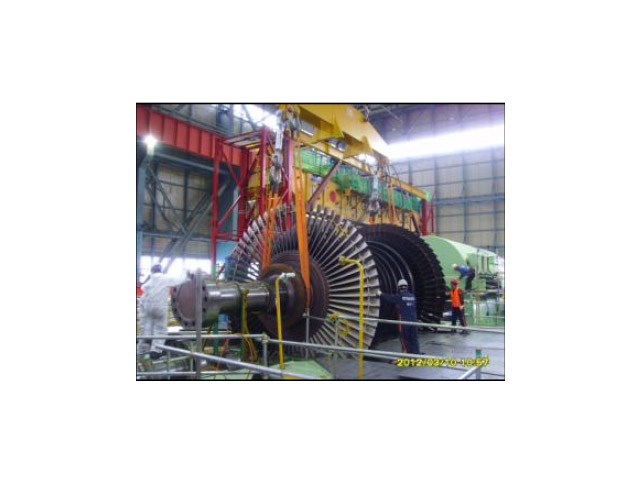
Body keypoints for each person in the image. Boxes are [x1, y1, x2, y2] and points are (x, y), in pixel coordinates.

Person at [137, 265, 189, 360]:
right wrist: (185, 272)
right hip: (159, 307)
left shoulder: (149, 282)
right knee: (160, 329)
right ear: (160, 271)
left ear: (152, 271)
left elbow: (143, 297)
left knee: (147, 327)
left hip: (147, 308)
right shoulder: (164, 278)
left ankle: (142, 349)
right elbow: (179, 280)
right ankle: (155, 351)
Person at [381, 279, 421, 354]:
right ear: (407, 287)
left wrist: (380, 294)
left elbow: (389, 298)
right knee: (414, 339)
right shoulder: (412, 296)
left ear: (399, 288)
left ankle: (408, 356)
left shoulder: (399, 297)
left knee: (405, 339)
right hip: (414, 321)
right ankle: (416, 355)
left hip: (405, 322)